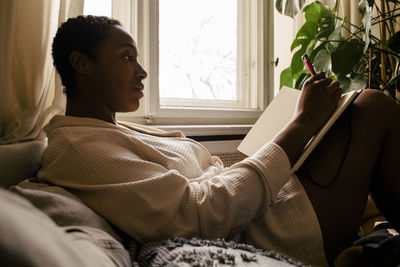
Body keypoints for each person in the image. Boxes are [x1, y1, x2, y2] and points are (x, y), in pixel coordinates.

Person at [38, 15, 400, 266]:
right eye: (127, 57)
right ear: (81, 64)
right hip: (269, 232)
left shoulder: (108, 131)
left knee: (353, 112)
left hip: (266, 206)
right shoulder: (77, 149)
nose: (141, 71)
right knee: (372, 108)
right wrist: (301, 125)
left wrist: (299, 136)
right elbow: (197, 215)